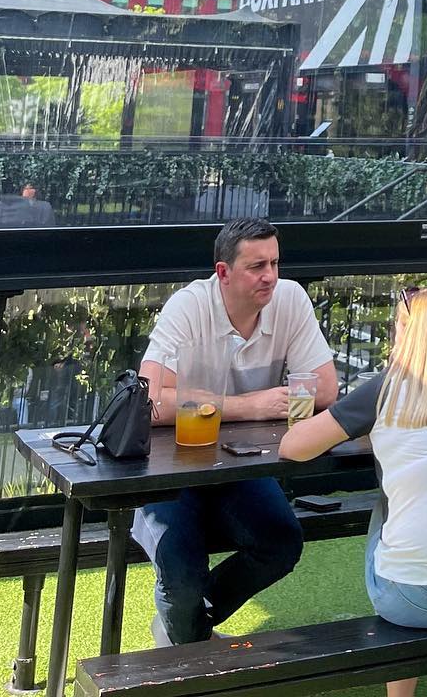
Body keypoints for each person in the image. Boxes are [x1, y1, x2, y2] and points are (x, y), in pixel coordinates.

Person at [280, 286, 427, 697]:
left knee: (391, 505)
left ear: (406, 330)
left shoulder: (386, 389)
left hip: (413, 601)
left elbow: (294, 447)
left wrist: (377, 435)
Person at [134, 217, 338, 647]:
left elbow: (326, 387)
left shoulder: (290, 299)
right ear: (223, 272)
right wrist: (252, 405)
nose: (271, 276)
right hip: (170, 462)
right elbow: (150, 401)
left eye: (275, 263)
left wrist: (292, 403)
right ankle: (187, 642)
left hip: (239, 461)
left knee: (281, 542)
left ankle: (184, 630)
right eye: (257, 266)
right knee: (181, 566)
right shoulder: (189, 306)